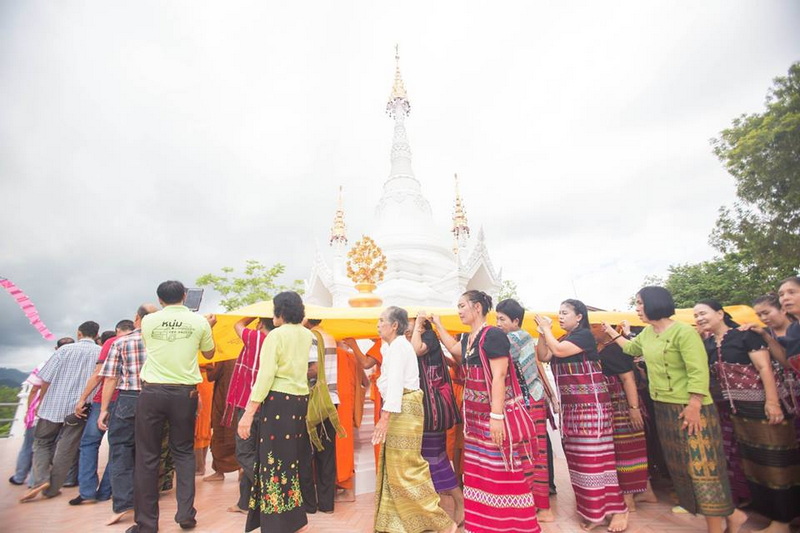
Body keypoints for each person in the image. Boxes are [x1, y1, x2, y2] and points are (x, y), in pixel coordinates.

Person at [604, 286, 746, 533]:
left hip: (691, 407)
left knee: (703, 467)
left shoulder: (683, 332)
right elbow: (631, 349)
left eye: (640, 303)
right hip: (664, 409)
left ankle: (717, 526)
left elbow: (698, 370)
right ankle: (732, 516)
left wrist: (694, 405)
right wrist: (611, 333)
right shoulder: (648, 334)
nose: (637, 308)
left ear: (654, 303)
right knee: (683, 469)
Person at [434, 290, 541, 533]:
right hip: (474, 422)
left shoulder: (492, 335)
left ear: (478, 308)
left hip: (493, 418)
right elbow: (454, 349)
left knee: (503, 474)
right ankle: (484, 526)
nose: (459, 310)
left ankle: (513, 527)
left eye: (462, 305)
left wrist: (496, 417)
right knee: (480, 475)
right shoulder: (469, 338)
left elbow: (500, 376)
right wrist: (438, 325)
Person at [695, 299, 800, 533]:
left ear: (720, 313)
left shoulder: (744, 335)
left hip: (763, 407)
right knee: (755, 464)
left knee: (776, 463)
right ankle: (772, 516)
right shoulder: (710, 342)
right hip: (739, 411)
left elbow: (764, 368)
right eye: (696, 316)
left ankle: (782, 522)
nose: (699, 319)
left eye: (703, 313)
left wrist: (772, 403)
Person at [131, 280, 216, 533]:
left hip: (152, 392)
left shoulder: (148, 321)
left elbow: (154, 345)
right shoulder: (199, 321)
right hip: (184, 394)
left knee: (147, 456)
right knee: (183, 452)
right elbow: (209, 354)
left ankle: (146, 524)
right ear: (185, 295)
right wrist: (207, 327)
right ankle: (185, 515)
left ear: (159, 300)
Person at [536, 300, 628, 531]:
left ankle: (618, 510)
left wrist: (547, 330)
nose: (560, 316)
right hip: (573, 409)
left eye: (565, 313)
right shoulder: (566, 338)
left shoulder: (584, 336)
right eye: (559, 312)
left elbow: (556, 351)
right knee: (580, 463)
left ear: (579, 317)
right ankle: (594, 512)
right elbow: (545, 355)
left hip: (591, 408)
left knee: (598, 461)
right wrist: (541, 333)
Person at [371, 306, 455, 533]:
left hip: (403, 409)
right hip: (402, 407)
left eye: (381, 321)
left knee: (406, 468)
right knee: (395, 466)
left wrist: (385, 418)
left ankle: (443, 523)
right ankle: (397, 522)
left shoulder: (400, 347)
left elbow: (396, 384)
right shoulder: (392, 347)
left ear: (394, 325)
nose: (378, 325)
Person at [236, 291, 313, 533]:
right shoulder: (307, 335)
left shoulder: (275, 336)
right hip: (299, 402)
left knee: (271, 463)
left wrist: (249, 412)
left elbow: (265, 375)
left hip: (278, 401)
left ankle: (277, 524)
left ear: (280, 311)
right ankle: (294, 520)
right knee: (290, 460)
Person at [20, 321, 101, 503]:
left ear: (79, 333)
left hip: (53, 405)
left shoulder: (64, 350)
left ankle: (41, 479)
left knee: (42, 442)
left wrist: (40, 401)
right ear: (97, 335)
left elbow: (45, 378)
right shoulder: (100, 352)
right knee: (67, 448)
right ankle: (52, 489)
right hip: (80, 409)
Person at [97, 304, 157, 526]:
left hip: (128, 399)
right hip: (155, 397)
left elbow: (111, 378)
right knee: (149, 452)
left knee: (121, 449)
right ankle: (147, 501)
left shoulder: (121, 342)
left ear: (136, 318)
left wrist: (104, 409)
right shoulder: (161, 342)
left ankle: (122, 503)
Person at [495, 298, 553, 523]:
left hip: (528, 402)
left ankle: (537, 505)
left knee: (531, 453)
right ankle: (538, 504)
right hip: (530, 400)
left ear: (515, 321)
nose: (498, 323)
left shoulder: (514, 338)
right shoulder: (522, 336)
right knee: (533, 452)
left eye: (502, 319)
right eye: (496, 318)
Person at [590, 323, 656, 512]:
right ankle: (647, 491)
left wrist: (633, 408)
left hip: (623, 405)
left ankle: (628, 498)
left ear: (604, 328)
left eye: (593, 327)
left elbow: (628, 379)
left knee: (625, 450)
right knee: (633, 448)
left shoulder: (614, 349)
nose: (590, 331)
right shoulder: (602, 348)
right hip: (614, 405)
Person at [69, 319, 134, 505]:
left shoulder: (111, 342)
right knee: (119, 446)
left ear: (117, 330)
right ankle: (106, 490)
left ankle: (87, 491)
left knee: (89, 443)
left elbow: (99, 374)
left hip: (103, 400)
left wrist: (82, 399)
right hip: (127, 400)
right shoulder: (142, 342)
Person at [410, 313, 464, 526]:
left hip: (432, 413)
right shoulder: (423, 339)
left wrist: (418, 329)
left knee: (435, 460)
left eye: (412, 324)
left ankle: (458, 501)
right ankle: (436, 509)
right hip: (425, 411)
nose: (409, 328)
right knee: (429, 459)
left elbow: (416, 349)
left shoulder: (429, 338)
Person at [9, 337, 75, 487]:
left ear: (56, 348)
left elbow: (34, 389)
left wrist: (30, 409)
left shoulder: (44, 365)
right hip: (62, 413)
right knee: (50, 447)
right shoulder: (74, 367)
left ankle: (21, 477)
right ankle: (37, 480)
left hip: (40, 412)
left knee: (31, 446)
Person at [225, 316, 274, 514]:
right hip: (270, 406)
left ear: (260, 324)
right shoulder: (278, 341)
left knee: (244, 452)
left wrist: (252, 313)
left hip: (248, 404)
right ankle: (244, 503)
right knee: (257, 453)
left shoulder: (255, 337)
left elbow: (237, 324)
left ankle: (271, 490)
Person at [300, 319, 346, 514]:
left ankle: (309, 504)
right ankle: (327, 504)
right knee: (326, 453)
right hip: (330, 400)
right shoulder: (329, 337)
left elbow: (314, 369)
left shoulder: (310, 337)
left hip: (313, 401)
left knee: (305, 453)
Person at [202, 359, 238, 482]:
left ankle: (219, 472)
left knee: (220, 433)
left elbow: (212, 376)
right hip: (238, 398)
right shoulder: (240, 349)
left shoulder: (223, 355)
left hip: (223, 398)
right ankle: (241, 469)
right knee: (237, 434)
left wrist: (208, 364)